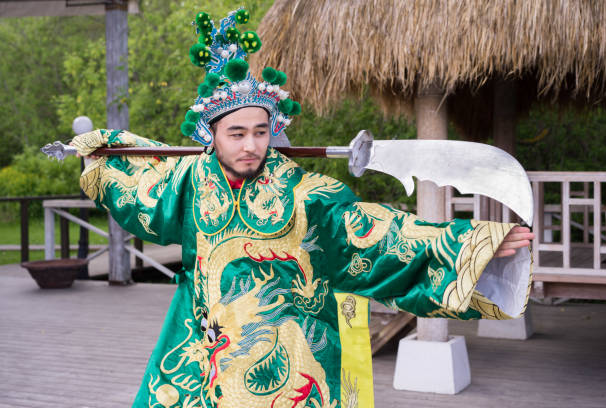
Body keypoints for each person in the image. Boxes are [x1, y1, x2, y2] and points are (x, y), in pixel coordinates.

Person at [71, 8, 533, 408]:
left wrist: (470, 244)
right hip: (200, 355)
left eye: (260, 130)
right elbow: (139, 181)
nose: (251, 145)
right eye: (236, 134)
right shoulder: (188, 181)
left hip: (289, 367)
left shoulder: (308, 195)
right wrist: (101, 151)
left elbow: (380, 236)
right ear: (209, 135)